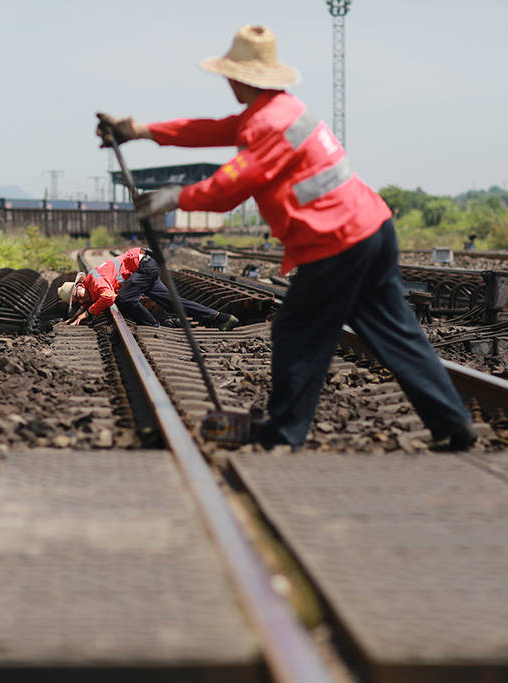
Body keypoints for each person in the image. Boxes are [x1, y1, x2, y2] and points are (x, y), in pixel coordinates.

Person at [95, 25, 476, 451]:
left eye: (230, 74)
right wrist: (141, 130)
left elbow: (225, 191)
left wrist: (170, 198)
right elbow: (209, 130)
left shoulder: (268, 127)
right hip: (371, 229)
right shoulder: (281, 109)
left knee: (296, 330)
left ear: (242, 77)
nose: (227, 81)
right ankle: (452, 422)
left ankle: (284, 433)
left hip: (338, 243)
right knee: (394, 331)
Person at [59, 246, 239, 330]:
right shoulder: (91, 284)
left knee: (123, 298)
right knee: (170, 303)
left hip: (144, 267)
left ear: (80, 285)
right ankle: (221, 318)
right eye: (78, 302)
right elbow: (95, 297)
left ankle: (153, 325)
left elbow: (108, 297)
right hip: (145, 267)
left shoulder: (94, 280)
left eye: (78, 295)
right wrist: (79, 312)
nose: (82, 300)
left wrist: (87, 313)